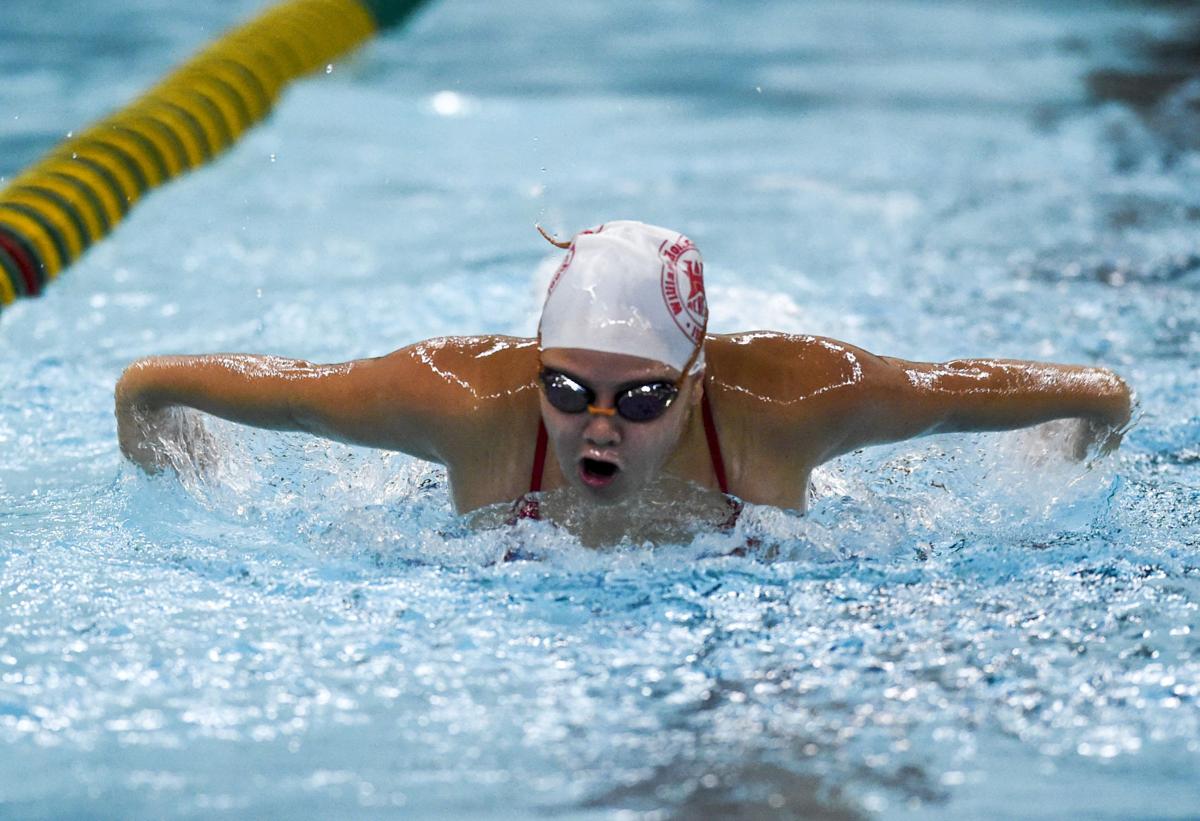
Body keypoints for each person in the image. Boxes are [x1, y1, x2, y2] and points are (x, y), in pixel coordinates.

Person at [115, 220, 1133, 545]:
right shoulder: (462, 402)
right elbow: (157, 386)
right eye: (565, 388)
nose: (595, 425)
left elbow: (1085, 396)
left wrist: (1053, 481)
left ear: (696, 382)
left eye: (639, 398)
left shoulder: (793, 401)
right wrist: (180, 489)